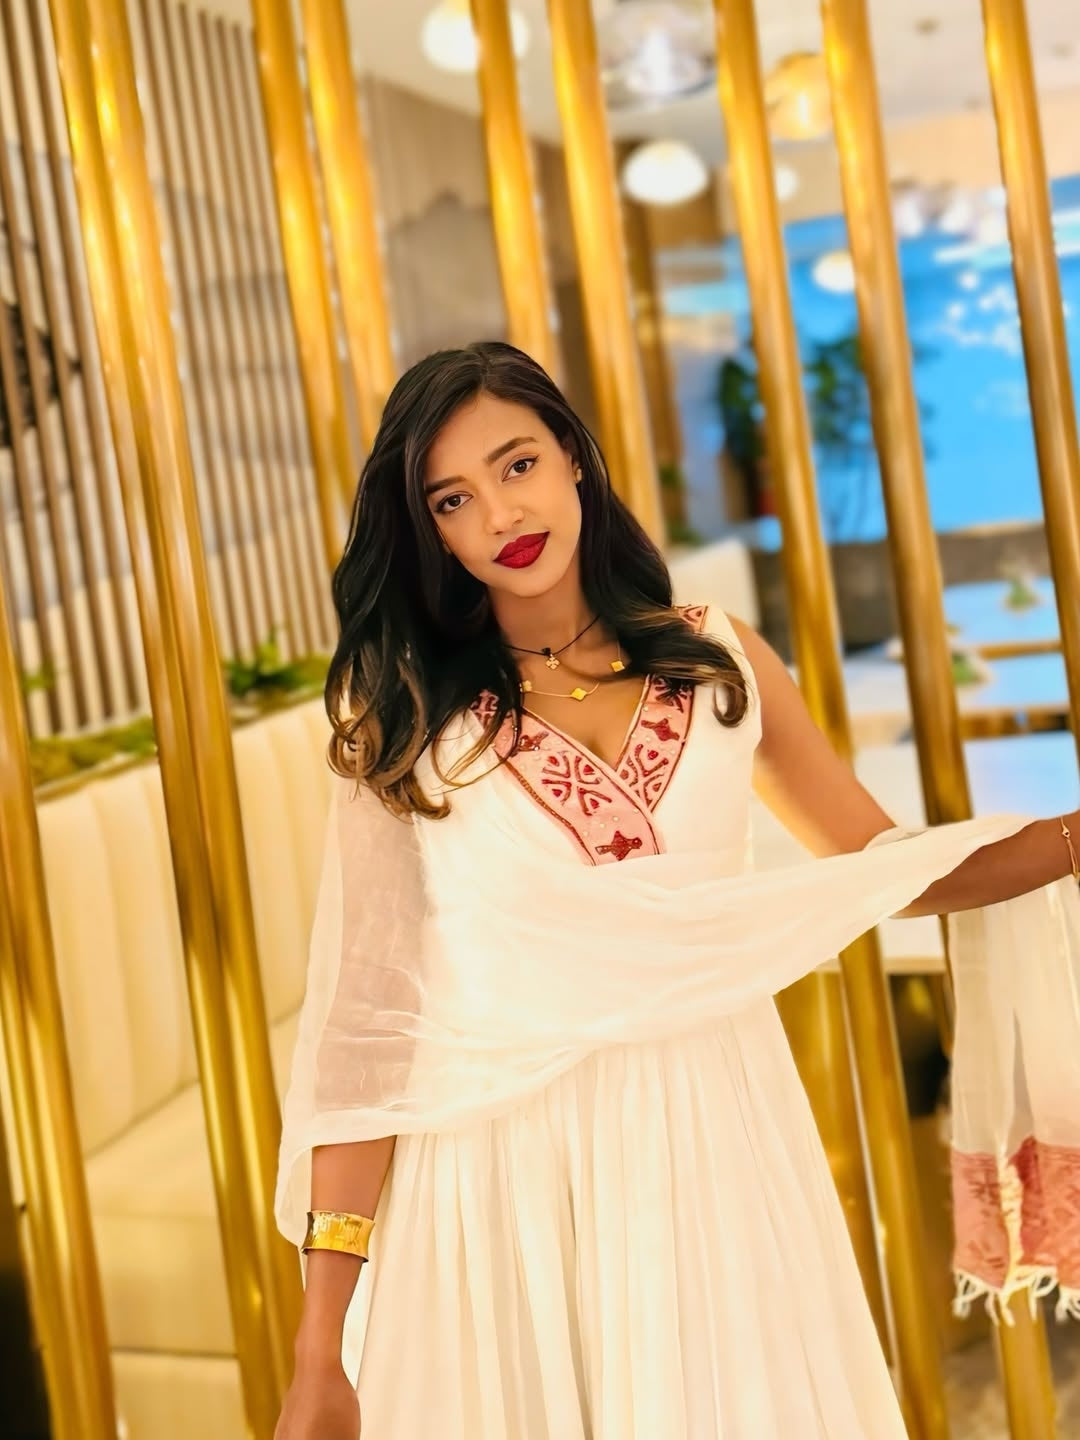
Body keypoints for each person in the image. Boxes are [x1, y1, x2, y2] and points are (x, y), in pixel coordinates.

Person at [272, 342, 1080, 1439]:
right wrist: (322, 1343)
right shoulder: (409, 731)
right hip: (504, 1186)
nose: (500, 512)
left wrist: (1069, 842)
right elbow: (367, 1044)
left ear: (572, 457)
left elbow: (884, 866)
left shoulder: (717, 663)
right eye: (453, 498)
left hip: (718, 1150)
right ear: (433, 533)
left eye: (517, 465)